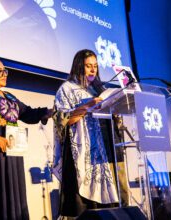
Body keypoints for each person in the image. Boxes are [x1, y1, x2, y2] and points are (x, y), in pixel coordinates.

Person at [0, 57, 52, 220]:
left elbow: (27, 113)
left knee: (13, 194)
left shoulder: (9, 96)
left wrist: (48, 112)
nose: (4, 74)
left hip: (11, 153)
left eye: (5, 71)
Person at [53, 49, 121, 218]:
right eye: (88, 66)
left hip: (104, 149)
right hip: (80, 150)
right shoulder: (66, 89)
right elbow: (63, 120)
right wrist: (87, 106)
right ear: (78, 66)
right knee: (84, 208)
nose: (93, 70)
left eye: (95, 66)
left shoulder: (99, 89)